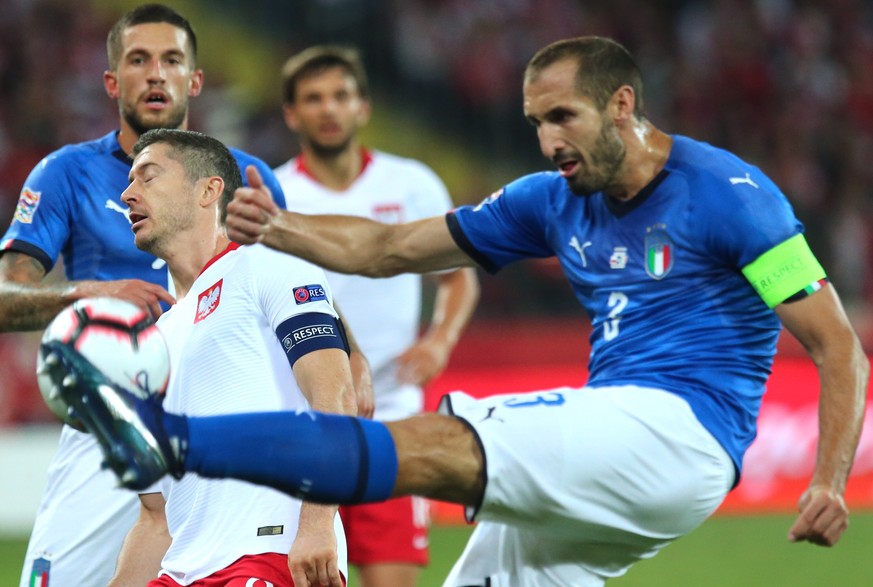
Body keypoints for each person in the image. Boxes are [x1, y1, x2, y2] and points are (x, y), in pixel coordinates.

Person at [41, 36, 869, 587]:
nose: (547, 141)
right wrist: (281, 225)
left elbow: (838, 346)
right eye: (535, 123)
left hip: (680, 430)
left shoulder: (731, 195)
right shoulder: (551, 199)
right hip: (614, 448)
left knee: (444, 437)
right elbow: (392, 249)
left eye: (562, 118)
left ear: (622, 105)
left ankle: (175, 442)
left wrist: (827, 478)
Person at [0, 5, 289, 587]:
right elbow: (6, 295)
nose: (156, 74)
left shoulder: (243, 176)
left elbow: (299, 284)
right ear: (112, 82)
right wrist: (92, 295)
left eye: (172, 60)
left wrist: (350, 353)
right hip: (110, 414)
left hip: (216, 419)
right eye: (138, 60)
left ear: (195, 80)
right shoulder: (66, 174)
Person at [111, 128, 354, 586]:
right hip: (182, 572)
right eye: (129, 182)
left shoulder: (268, 262)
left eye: (148, 177)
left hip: (268, 556)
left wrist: (318, 526)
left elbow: (334, 394)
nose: (127, 194)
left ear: (209, 189)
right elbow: (155, 518)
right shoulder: (151, 343)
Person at [274, 45, 479, 587]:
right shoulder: (275, 196)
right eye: (313, 99)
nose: (328, 109)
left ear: (363, 106)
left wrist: (440, 341)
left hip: (392, 417)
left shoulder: (412, 184)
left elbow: (458, 275)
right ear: (291, 114)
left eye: (341, 95)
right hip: (305, 418)